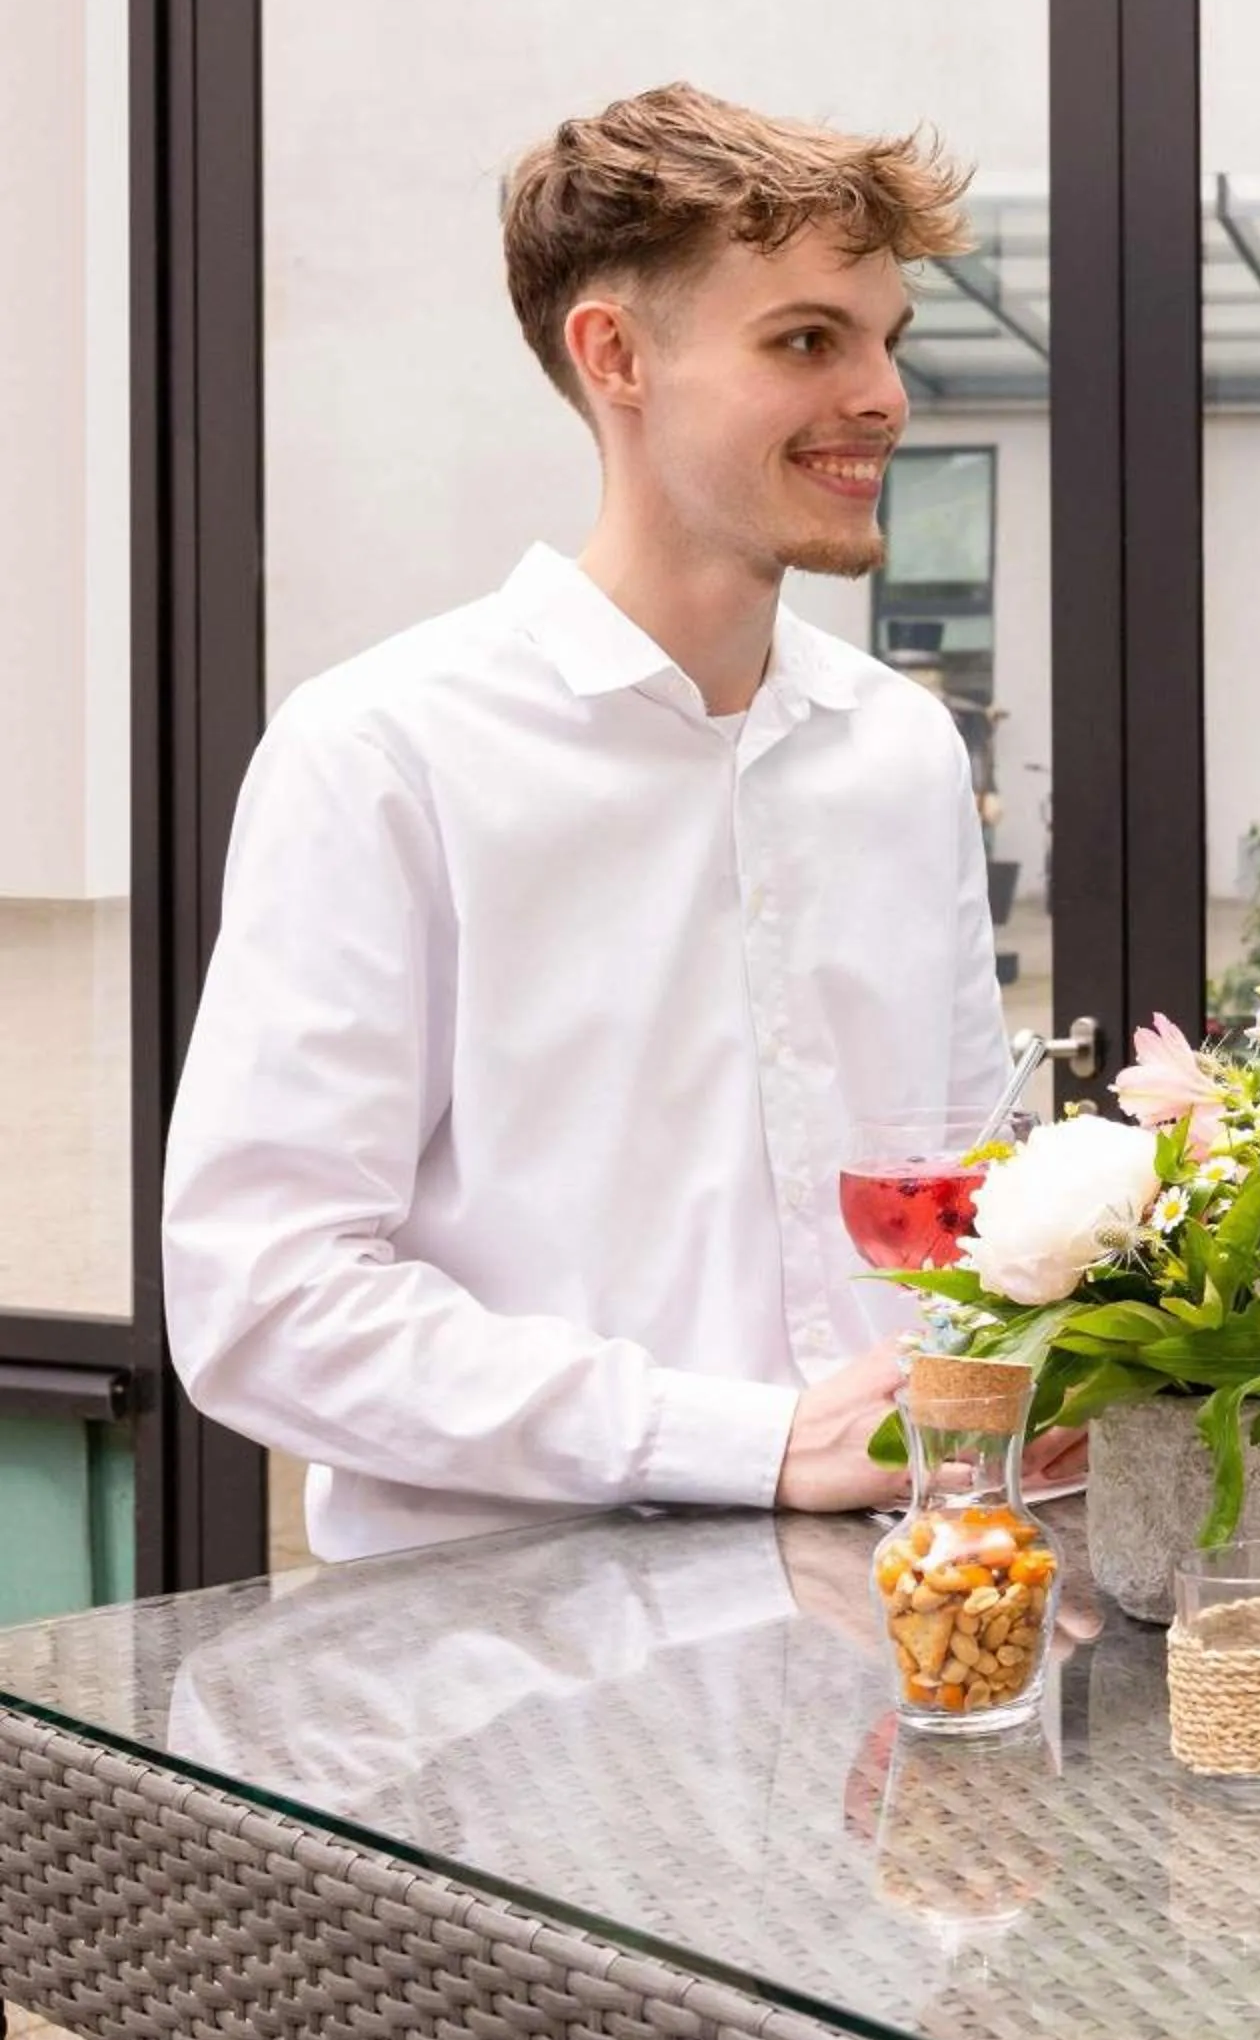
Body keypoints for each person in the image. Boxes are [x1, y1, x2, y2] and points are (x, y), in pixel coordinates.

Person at [162, 84, 1040, 1560]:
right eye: (808, 340)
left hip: (892, 1629)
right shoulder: (381, 751)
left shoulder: (900, 751)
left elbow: (959, 1209)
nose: (885, 394)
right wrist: (753, 1443)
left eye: (891, 338)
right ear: (615, 355)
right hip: (497, 1687)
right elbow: (263, 1299)